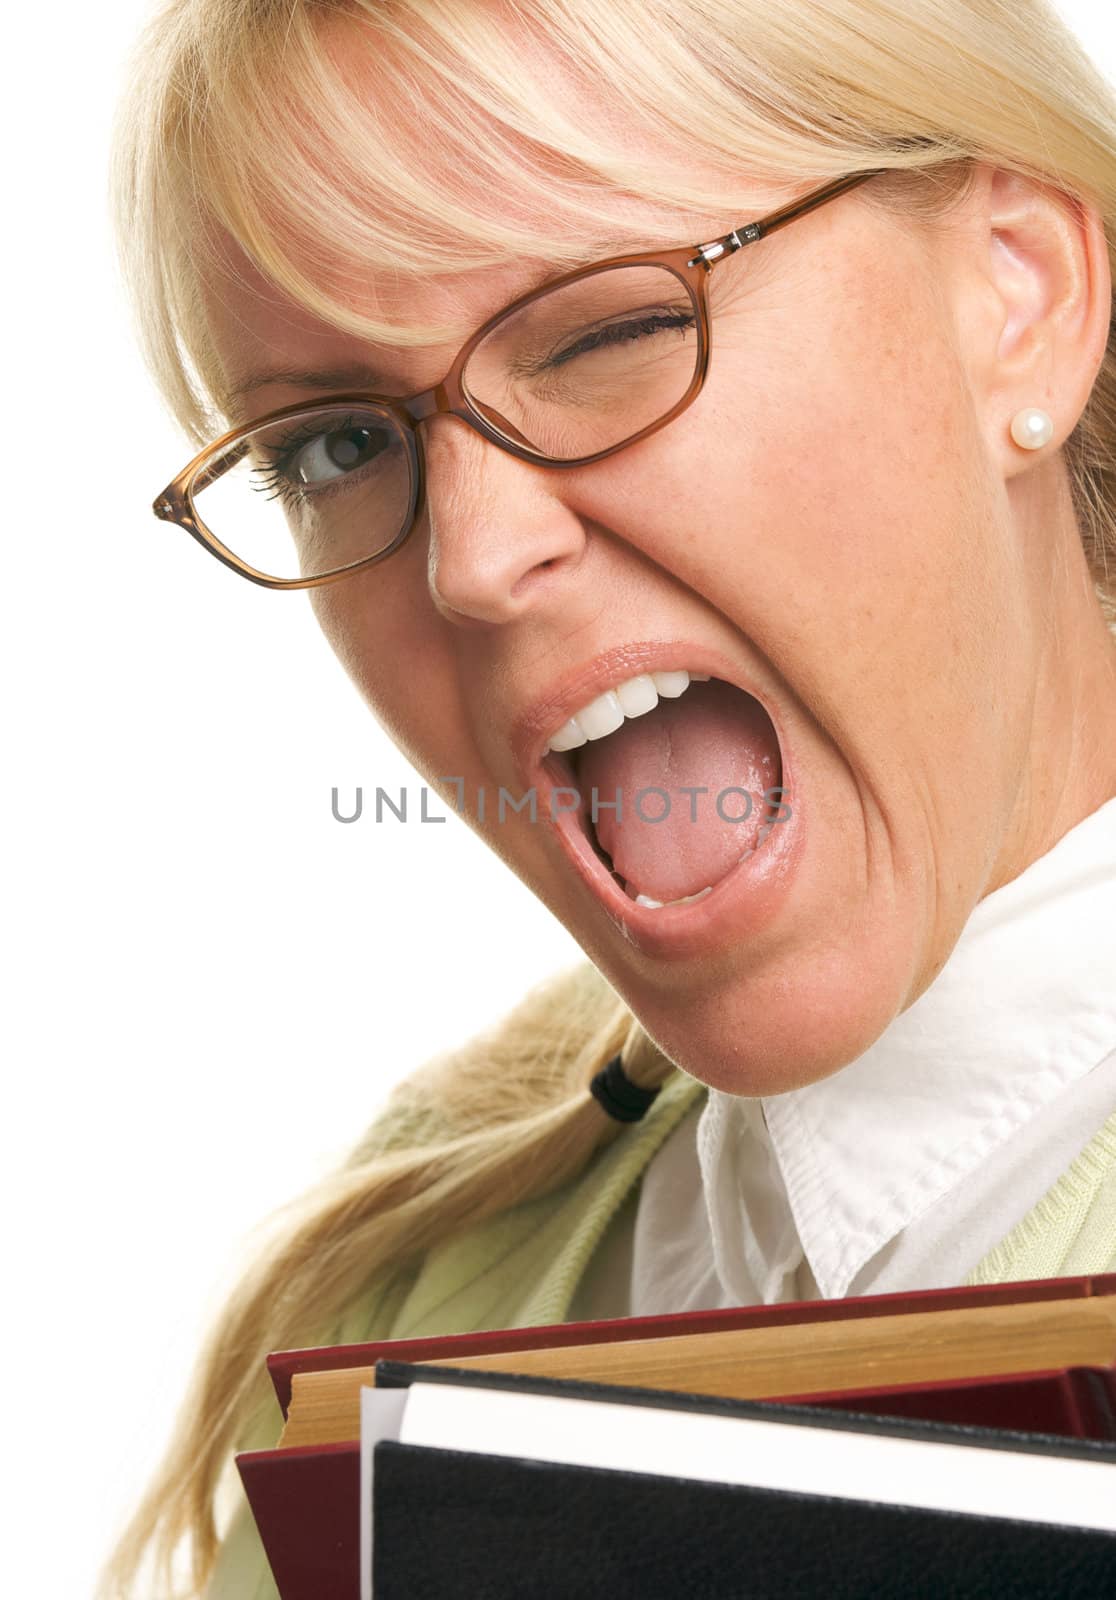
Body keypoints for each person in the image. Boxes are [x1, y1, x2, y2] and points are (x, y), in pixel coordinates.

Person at [100, 0, 1116, 1595]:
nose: (475, 559)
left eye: (603, 332)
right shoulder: (414, 1285)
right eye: (341, 442)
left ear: (1020, 295)